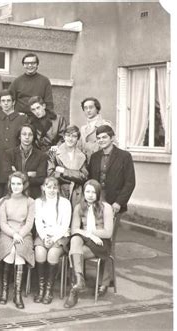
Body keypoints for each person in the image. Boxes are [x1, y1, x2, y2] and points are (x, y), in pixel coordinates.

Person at [88, 125, 135, 295]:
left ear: (112, 138)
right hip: (96, 204)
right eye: (98, 138)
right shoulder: (94, 157)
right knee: (94, 237)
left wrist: (118, 203)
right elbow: (90, 181)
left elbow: (130, 182)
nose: (101, 140)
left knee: (108, 241)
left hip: (114, 205)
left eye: (104, 137)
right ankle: (101, 276)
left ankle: (104, 282)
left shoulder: (124, 156)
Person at [64, 179, 114, 308]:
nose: (90, 195)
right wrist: (90, 234)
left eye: (93, 192)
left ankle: (74, 289)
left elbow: (108, 233)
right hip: (86, 239)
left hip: (101, 244)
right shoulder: (79, 207)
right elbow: (74, 229)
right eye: (87, 191)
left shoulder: (106, 207)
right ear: (83, 193)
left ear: (98, 193)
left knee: (73, 253)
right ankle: (79, 281)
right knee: (75, 239)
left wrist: (92, 233)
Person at [0, 172, 35, 309]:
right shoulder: (3, 201)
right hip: (7, 233)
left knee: (19, 251)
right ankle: (4, 291)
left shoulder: (30, 202)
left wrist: (20, 234)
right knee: (10, 250)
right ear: (9, 185)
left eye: (19, 184)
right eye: (13, 184)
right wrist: (13, 234)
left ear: (24, 185)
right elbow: (3, 223)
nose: (16, 186)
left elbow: (29, 223)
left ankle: (17, 293)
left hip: (24, 234)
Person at [33, 177, 71, 305]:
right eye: (48, 187)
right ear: (43, 188)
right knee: (39, 252)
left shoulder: (65, 203)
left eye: (54, 187)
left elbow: (65, 225)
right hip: (44, 234)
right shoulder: (38, 202)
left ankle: (49, 290)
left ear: (58, 189)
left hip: (60, 235)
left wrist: (53, 238)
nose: (51, 190)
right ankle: (41, 288)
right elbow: (38, 222)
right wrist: (44, 237)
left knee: (52, 254)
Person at [0, 89, 28, 198]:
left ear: (13, 102)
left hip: (15, 162)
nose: (6, 103)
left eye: (8, 100)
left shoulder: (22, 118)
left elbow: (23, 141)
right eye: (3, 101)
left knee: (14, 192)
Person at [48, 125, 88, 207]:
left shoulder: (82, 156)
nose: (70, 139)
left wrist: (63, 171)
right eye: (68, 135)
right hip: (59, 191)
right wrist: (74, 177)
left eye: (74, 136)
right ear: (64, 137)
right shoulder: (55, 153)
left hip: (76, 194)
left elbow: (83, 176)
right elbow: (51, 174)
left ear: (78, 138)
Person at [5, 124, 48, 199]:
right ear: (19, 136)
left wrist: (16, 174)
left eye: (30, 134)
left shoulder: (42, 156)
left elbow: (41, 179)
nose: (27, 137)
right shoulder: (9, 154)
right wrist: (28, 174)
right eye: (24, 134)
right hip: (13, 194)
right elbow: (8, 176)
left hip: (33, 195)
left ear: (34, 137)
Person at [78, 97, 113, 161]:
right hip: (86, 163)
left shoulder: (105, 125)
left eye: (91, 107)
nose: (88, 110)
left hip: (101, 162)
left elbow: (111, 148)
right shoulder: (83, 129)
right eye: (85, 108)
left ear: (97, 109)